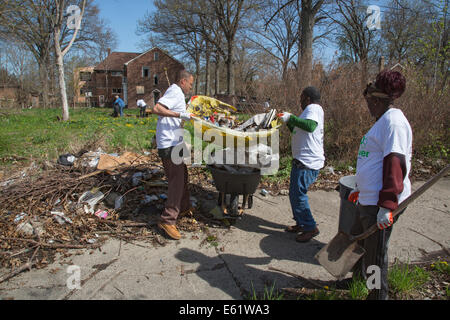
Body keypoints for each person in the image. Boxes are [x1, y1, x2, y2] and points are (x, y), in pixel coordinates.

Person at [348, 70, 411, 300]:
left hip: (379, 204)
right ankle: (357, 280)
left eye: (369, 102)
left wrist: (386, 204)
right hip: (368, 198)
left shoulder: (394, 122)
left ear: (377, 100)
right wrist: (360, 188)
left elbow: (395, 163)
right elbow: (372, 160)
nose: (368, 107)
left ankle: (376, 295)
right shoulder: (383, 122)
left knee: (375, 256)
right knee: (359, 241)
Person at [277, 86, 325, 243]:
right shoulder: (308, 112)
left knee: (299, 195)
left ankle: (310, 227)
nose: (299, 101)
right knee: (294, 194)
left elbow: (310, 127)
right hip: (301, 160)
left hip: (307, 162)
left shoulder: (314, 108)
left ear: (308, 99)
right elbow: (297, 130)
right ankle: (301, 223)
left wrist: (291, 117)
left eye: (301, 98)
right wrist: (288, 122)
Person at [151, 69, 195, 240]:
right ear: (183, 81)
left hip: (174, 141)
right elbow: (157, 108)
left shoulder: (178, 95)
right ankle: (168, 220)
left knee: (183, 175)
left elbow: (173, 118)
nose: (191, 87)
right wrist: (179, 114)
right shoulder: (175, 91)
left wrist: (184, 117)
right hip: (169, 143)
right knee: (176, 182)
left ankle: (183, 206)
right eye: (190, 84)